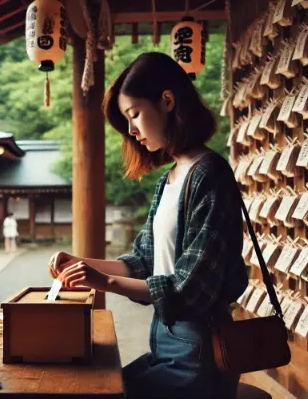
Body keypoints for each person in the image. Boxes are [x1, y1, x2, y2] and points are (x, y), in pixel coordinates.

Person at [49, 52, 248, 399]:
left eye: (134, 115)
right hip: (168, 344)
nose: (131, 130)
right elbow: (142, 262)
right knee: (100, 385)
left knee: (99, 392)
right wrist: (81, 264)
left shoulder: (210, 174)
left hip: (200, 355)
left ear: (167, 101)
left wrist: (105, 282)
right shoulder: (170, 179)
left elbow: (192, 288)